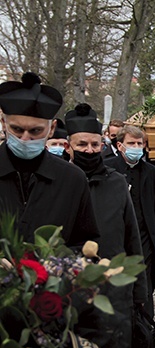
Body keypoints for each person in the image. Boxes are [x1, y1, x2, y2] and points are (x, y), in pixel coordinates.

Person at [64, 103, 148, 348]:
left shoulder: (116, 182)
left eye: (94, 144)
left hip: (115, 296)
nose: (89, 150)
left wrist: (141, 297)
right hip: (69, 295)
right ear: (69, 145)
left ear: (103, 142)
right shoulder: (61, 183)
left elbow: (132, 240)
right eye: (80, 145)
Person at [0, 72, 99, 247]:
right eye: (17, 129)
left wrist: (59, 266)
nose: (25, 138)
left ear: (51, 128)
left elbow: (84, 243)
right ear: (3, 123)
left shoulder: (72, 179)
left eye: (35, 131)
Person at [105, 125, 155, 319]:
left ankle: (146, 328)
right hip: (119, 236)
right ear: (120, 145)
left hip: (146, 237)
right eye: (131, 143)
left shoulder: (152, 172)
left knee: (145, 285)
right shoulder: (108, 168)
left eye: (139, 143)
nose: (136, 147)